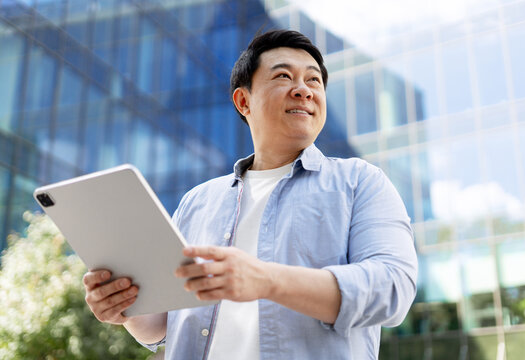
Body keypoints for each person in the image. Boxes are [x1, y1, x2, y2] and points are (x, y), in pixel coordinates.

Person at [83, 29, 417, 359]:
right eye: (284, 76)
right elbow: (164, 326)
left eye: (313, 80)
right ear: (244, 101)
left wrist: (267, 280)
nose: (304, 90)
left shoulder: (360, 182)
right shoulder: (197, 202)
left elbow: (392, 288)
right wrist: (125, 308)